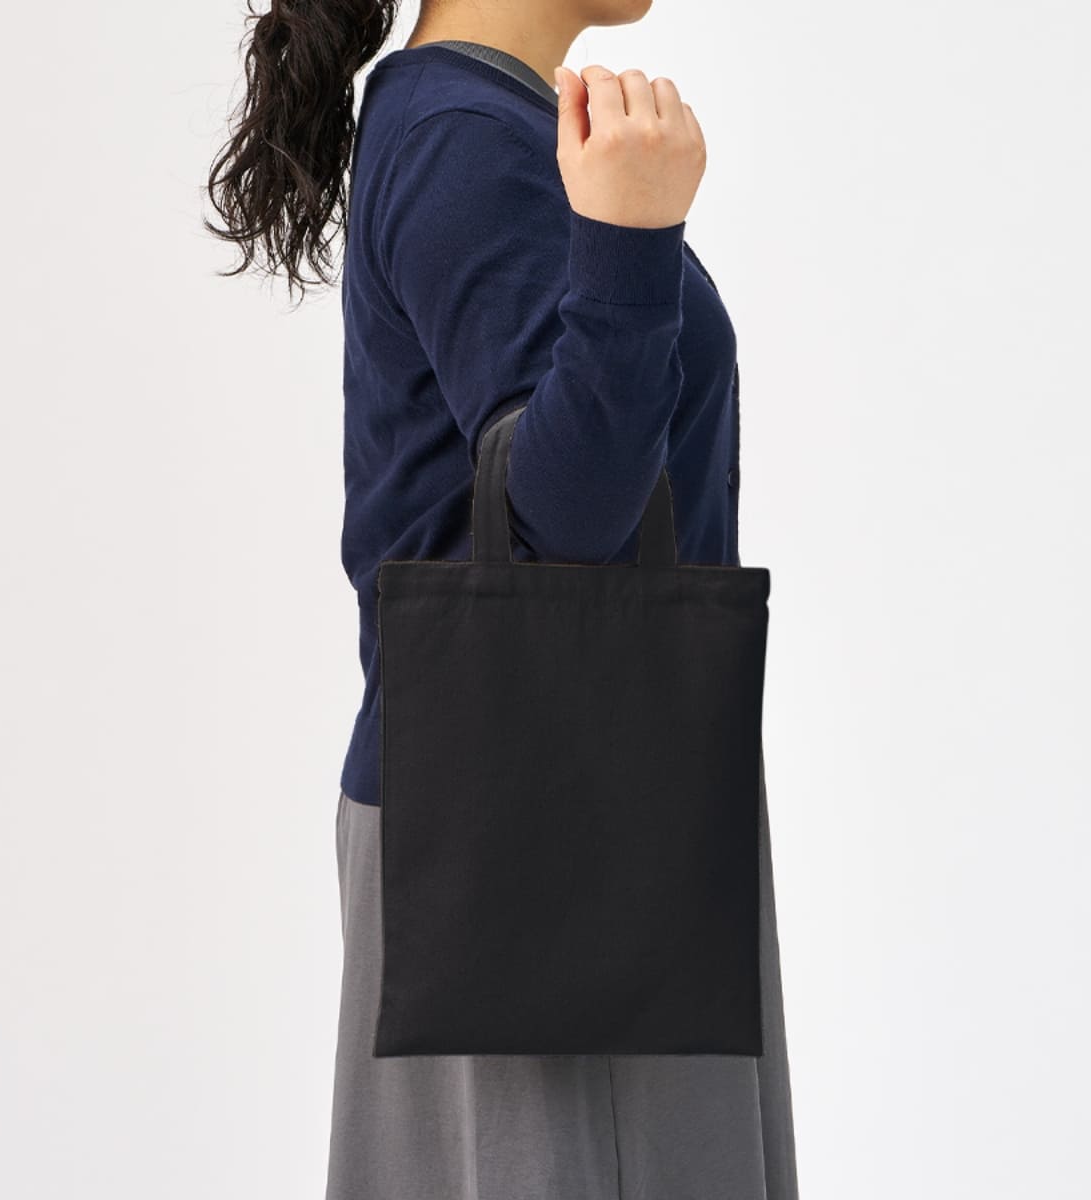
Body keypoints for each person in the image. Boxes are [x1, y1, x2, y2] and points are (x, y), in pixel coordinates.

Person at [206, 2, 801, 1196]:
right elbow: (569, 523)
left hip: (558, 811)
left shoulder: (473, 119)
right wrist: (630, 241)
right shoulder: (464, 140)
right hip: (547, 832)